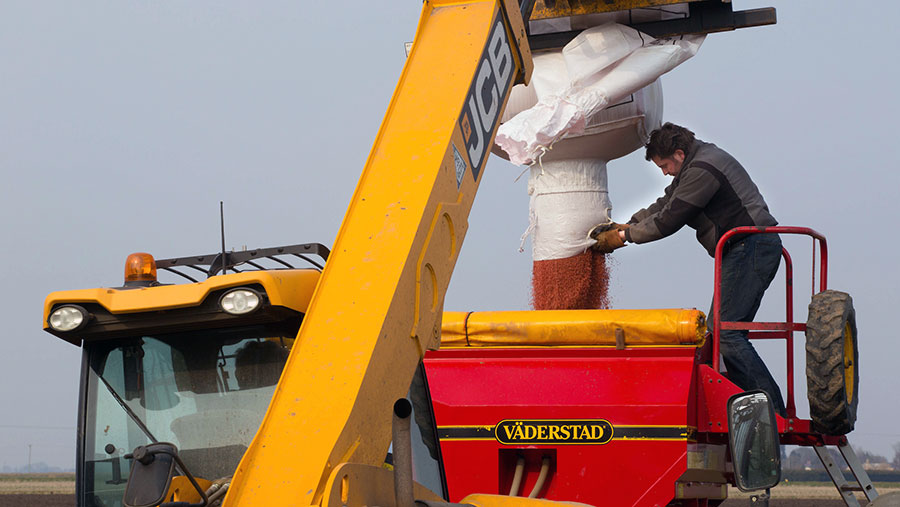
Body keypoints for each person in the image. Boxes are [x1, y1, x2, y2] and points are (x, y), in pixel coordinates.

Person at [592, 122, 786, 415]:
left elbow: (670, 219)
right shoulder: (697, 162)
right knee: (721, 333)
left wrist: (623, 237)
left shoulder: (702, 170)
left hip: (751, 247)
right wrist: (627, 223)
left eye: (665, 165)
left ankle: (770, 411)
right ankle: (749, 407)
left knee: (727, 335)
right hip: (743, 249)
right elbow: (665, 202)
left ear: (679, 154)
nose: (665, 172)